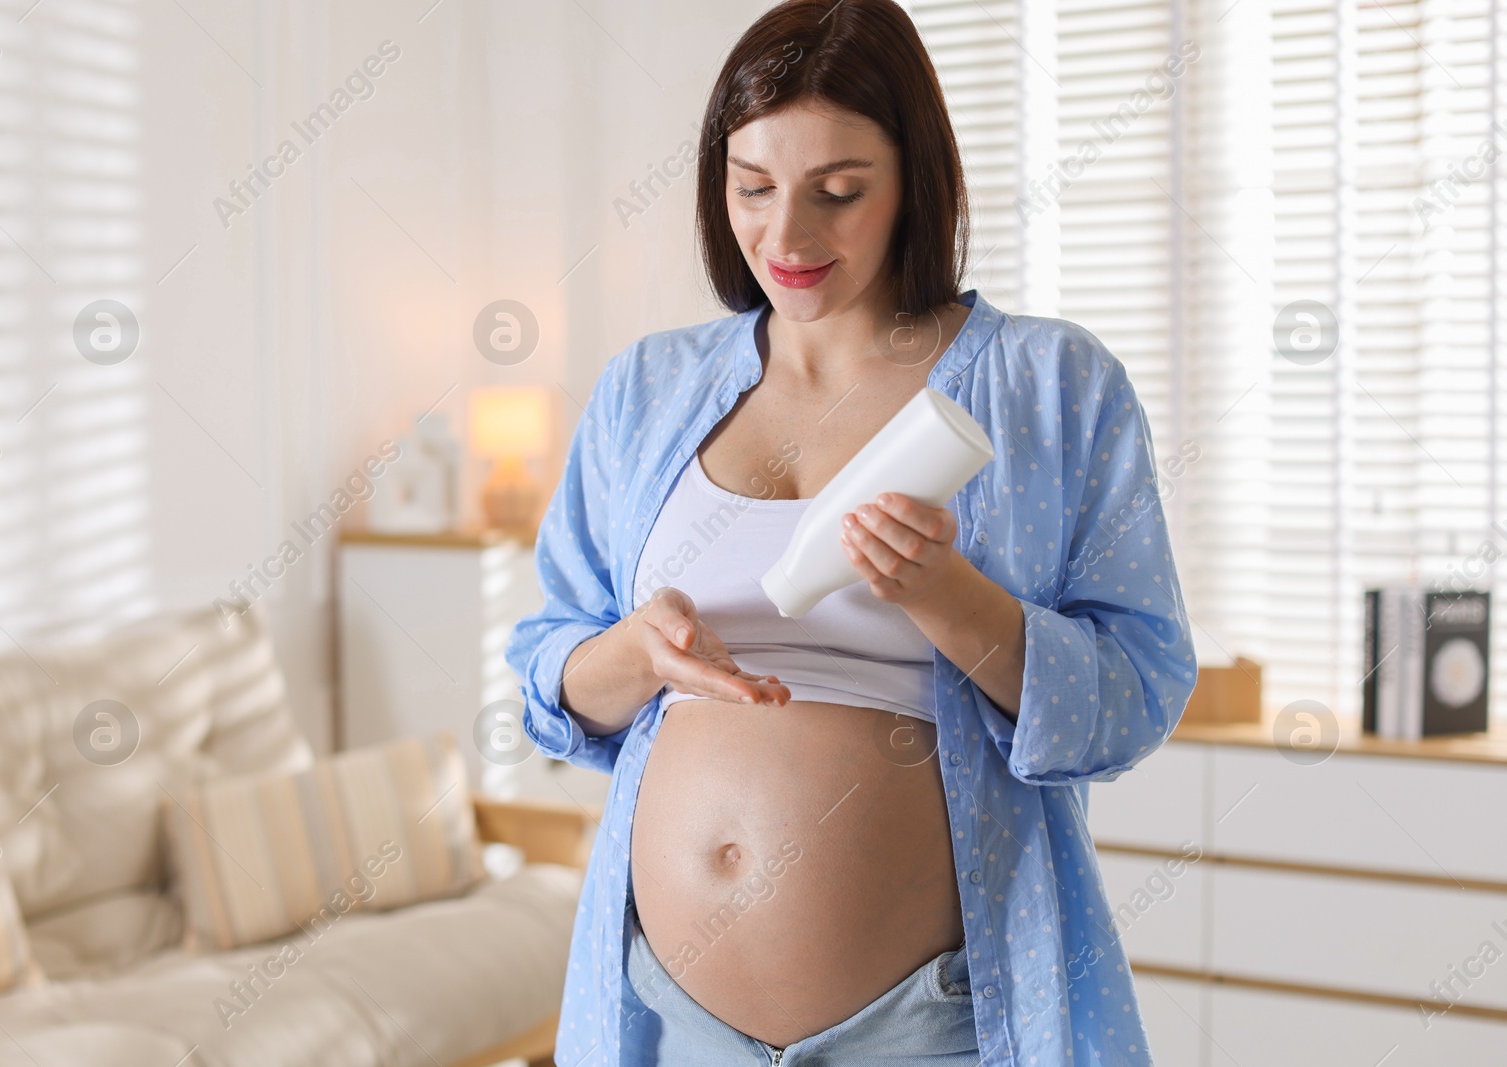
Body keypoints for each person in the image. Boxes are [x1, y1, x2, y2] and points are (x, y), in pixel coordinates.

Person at [504, 1, 1197, 1064]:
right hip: (671, 1016)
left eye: (839, 193)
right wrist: (634, 654)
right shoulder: (647, 390)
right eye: (754, 189)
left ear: (914, 178)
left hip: (934, 1024)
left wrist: (950, 598)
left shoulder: (1049, 386)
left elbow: (1136, 694)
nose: (788, 237)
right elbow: (552, 674)